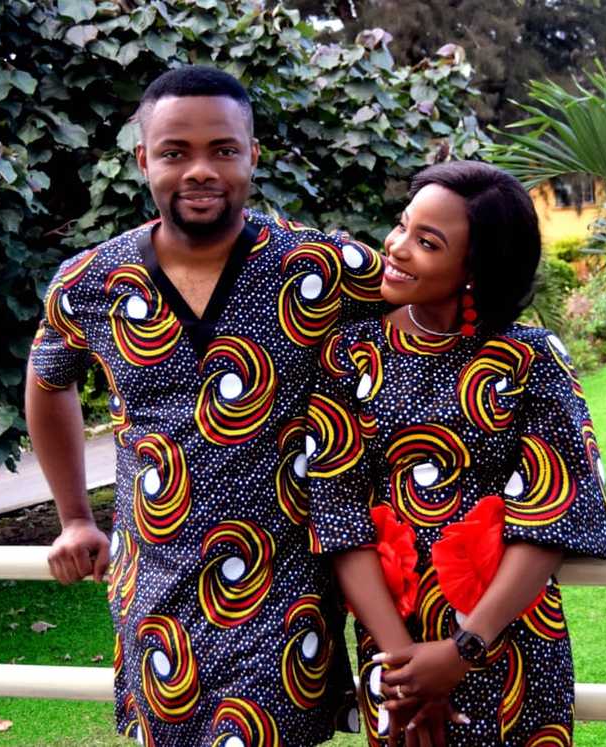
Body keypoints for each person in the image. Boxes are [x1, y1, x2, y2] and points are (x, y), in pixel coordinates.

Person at [25, 65, 385, 746]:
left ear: (252, 155)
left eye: (222, 149)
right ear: (142, 161)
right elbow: (48, 380)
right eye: (174, 152)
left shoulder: (323, 265)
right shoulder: (89, 281)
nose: (199, 169)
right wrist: (74, 516)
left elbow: (433, 311)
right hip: (153, 590)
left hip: (284, 591)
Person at [306, 161, 606, 746]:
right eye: (402, 226)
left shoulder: (528, 360)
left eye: (428, 242)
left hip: (509, 645)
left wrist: (463, 651)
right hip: (393, 647)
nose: (396, 248)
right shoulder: (349, 354)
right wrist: (407, 668)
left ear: (475, 269)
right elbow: (337, 513)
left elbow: (553, 513)